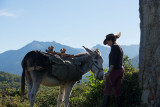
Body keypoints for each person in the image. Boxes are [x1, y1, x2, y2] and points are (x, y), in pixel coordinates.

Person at [102, 32, 124, 107]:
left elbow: (113, 63)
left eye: (107, 41)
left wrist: (108, 72)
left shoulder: (114, 47)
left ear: (111, 40)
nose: (107, 43)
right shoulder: (119, 47)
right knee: (117, 91)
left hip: (114, 71)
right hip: (120, 70)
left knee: (107, 89)